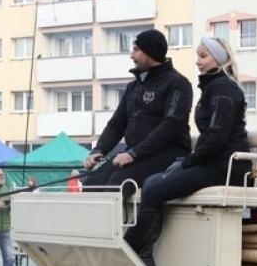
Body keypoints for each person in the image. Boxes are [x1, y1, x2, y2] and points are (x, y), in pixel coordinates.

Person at [124, 35, 249, 266]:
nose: (198, 62)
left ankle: (136, 250)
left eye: (203, 56)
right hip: (215, 162)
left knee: (155, 187)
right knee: (152, 183)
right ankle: (141, 250)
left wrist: (187, 162)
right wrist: (188, 161)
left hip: (227, 167)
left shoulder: (223, 89)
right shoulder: (214, 87)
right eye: (197, 56)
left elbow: (216, 136)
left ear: (219, 59)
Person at [80, 29, 192, 188]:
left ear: (150, 52)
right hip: (135, 153)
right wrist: (98, 151)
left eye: (136, 49)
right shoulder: (133, 87)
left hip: (167, 154)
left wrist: (134, 154)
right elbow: (116, 125)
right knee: (92, 183)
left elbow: (171, 126)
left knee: (117, 184)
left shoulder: (177, 83)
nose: (131, 55)